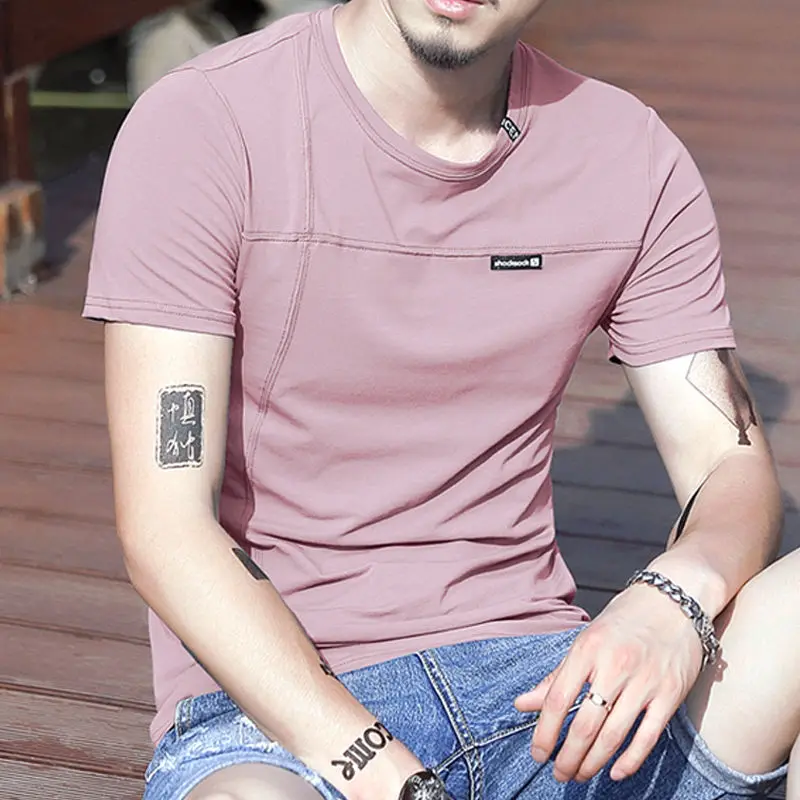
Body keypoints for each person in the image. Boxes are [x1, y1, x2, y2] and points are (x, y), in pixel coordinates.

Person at [82, 0, 800, 796]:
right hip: (278, 715)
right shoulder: (205, 123)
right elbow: (166, 525)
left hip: (544, 693)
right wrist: (391, 779)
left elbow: (728, 465)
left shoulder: (629, 155)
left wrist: (675, 598)